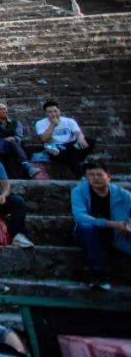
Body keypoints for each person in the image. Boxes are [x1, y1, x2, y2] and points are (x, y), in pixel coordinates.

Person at [71, 161, 131, 290]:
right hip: (88, 234)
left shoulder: (122, 194)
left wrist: (128, 226)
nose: (95, 178)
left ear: (108, 177)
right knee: (86, 226)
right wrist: (112, 224)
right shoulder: (79, 191)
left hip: (117, 235)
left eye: (99, 174)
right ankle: (96, 271)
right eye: (91, 175)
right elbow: (79, 216)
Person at [36, 100, 95, 178]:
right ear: (46, 114)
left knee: (89, 142)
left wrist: (81, 139)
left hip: (72, 146)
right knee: (69, 153)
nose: (53, 114)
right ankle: (79, 175)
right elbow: (44, 139)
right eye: (50, 112)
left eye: (55, 111)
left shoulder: (69, 121)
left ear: (59, 111)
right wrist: (52, 125)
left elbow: (78, 133)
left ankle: (75, 160)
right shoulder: (40, 123)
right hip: (55, 150)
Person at [0, 103, 39, 179]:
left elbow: (19, 137)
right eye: (1, 109)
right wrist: (4, 141)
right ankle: (27, 166)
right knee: (9, 142)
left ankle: (25, 166)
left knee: (12, 142)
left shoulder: (16, 123)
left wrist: (12, 139)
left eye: (5, 109)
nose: (4, 111)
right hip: (0, 148)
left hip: (15, 147)